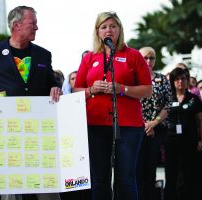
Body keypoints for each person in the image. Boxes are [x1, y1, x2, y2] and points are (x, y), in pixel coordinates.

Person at [0, 5, 62, 200]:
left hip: (39, 129)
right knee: (11, 185)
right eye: (32, 23)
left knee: (46, 184)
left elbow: (52, 83)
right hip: (7, 129)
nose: (37, 27)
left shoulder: (44, 54)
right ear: (17, 25)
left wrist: (55, 88)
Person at [73, 11, 152, 200]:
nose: (109, 30)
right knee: (100, 178)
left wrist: (122, 88)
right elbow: (76, 90)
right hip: (96, 124)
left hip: (129, 126)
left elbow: (147, 90)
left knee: (125, 178)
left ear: (119, 30)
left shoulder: (133, 56)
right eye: (104, 27)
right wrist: (91, 89)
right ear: (98, 32)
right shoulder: (89, 58)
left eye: (113, 26)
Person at [137, 47, 172, 200]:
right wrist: (144, 124)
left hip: (156, 130)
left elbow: (168, 104)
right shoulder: (133, 78)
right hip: (136, 129)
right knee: (137, 168)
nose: (149, 61)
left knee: (151, 168)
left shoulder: (162, 79)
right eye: (145, 57)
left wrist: (154, 123)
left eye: (152, 58)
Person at [164, 67, 202, 200]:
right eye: (177, 79)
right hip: (171, 141)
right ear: (173, 81)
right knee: (171, 172)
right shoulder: (168, 98)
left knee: (188, 172)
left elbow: (200, 121)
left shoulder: (194, 99)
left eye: (183, 78)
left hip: (189, 141)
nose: (181, 81)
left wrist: (200, 140)